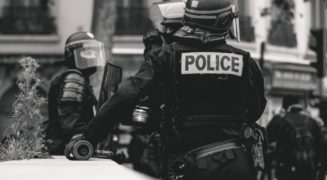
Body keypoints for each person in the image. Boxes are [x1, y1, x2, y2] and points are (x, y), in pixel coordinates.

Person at [69, 0, 267, 179]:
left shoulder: (166, 56)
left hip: (185, 164)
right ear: (222, 22)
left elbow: (127, 95)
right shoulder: (245, 61)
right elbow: (256, 108)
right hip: (234, 164)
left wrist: (89, 138)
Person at [128, 1, 185, 177]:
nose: (166, 33)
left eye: (172, 29)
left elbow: (156, 78)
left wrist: (152, 48)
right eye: (166, 28)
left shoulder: (172, 55)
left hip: (178, 137)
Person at [44, 31, 106, 155]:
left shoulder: (79, 78)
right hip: (66, 149)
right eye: (87, 52)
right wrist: (87, 136)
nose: (93, 55)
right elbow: (70, 121)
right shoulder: (74, 78)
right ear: (72, 55)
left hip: (69, 149)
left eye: (94, 51)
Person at [267, 95, 327, 180]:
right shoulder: (312, 122)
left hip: (286, 170)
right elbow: (323, 146)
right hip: (309, 170)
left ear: (285, 107)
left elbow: (267, 143)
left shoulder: (280, 122)